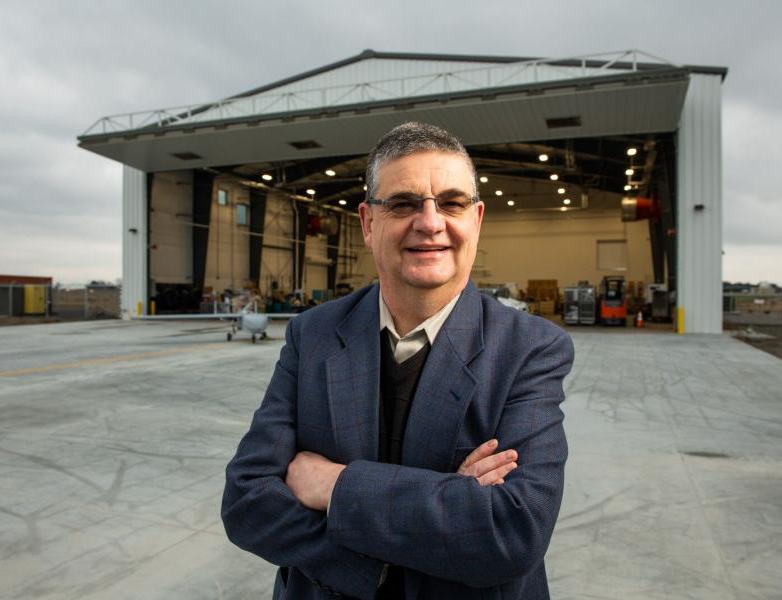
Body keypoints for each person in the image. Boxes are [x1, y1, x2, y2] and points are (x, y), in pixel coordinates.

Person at [222, 122, 574, 600]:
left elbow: (512, 530)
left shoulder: (531, 348)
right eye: (403, 204)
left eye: (451, 203)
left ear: (476, 219)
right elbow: (247, 501)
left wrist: (335, 485)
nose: (430, 223)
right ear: (368, 223)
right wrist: (440, 512)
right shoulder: (314, 335)